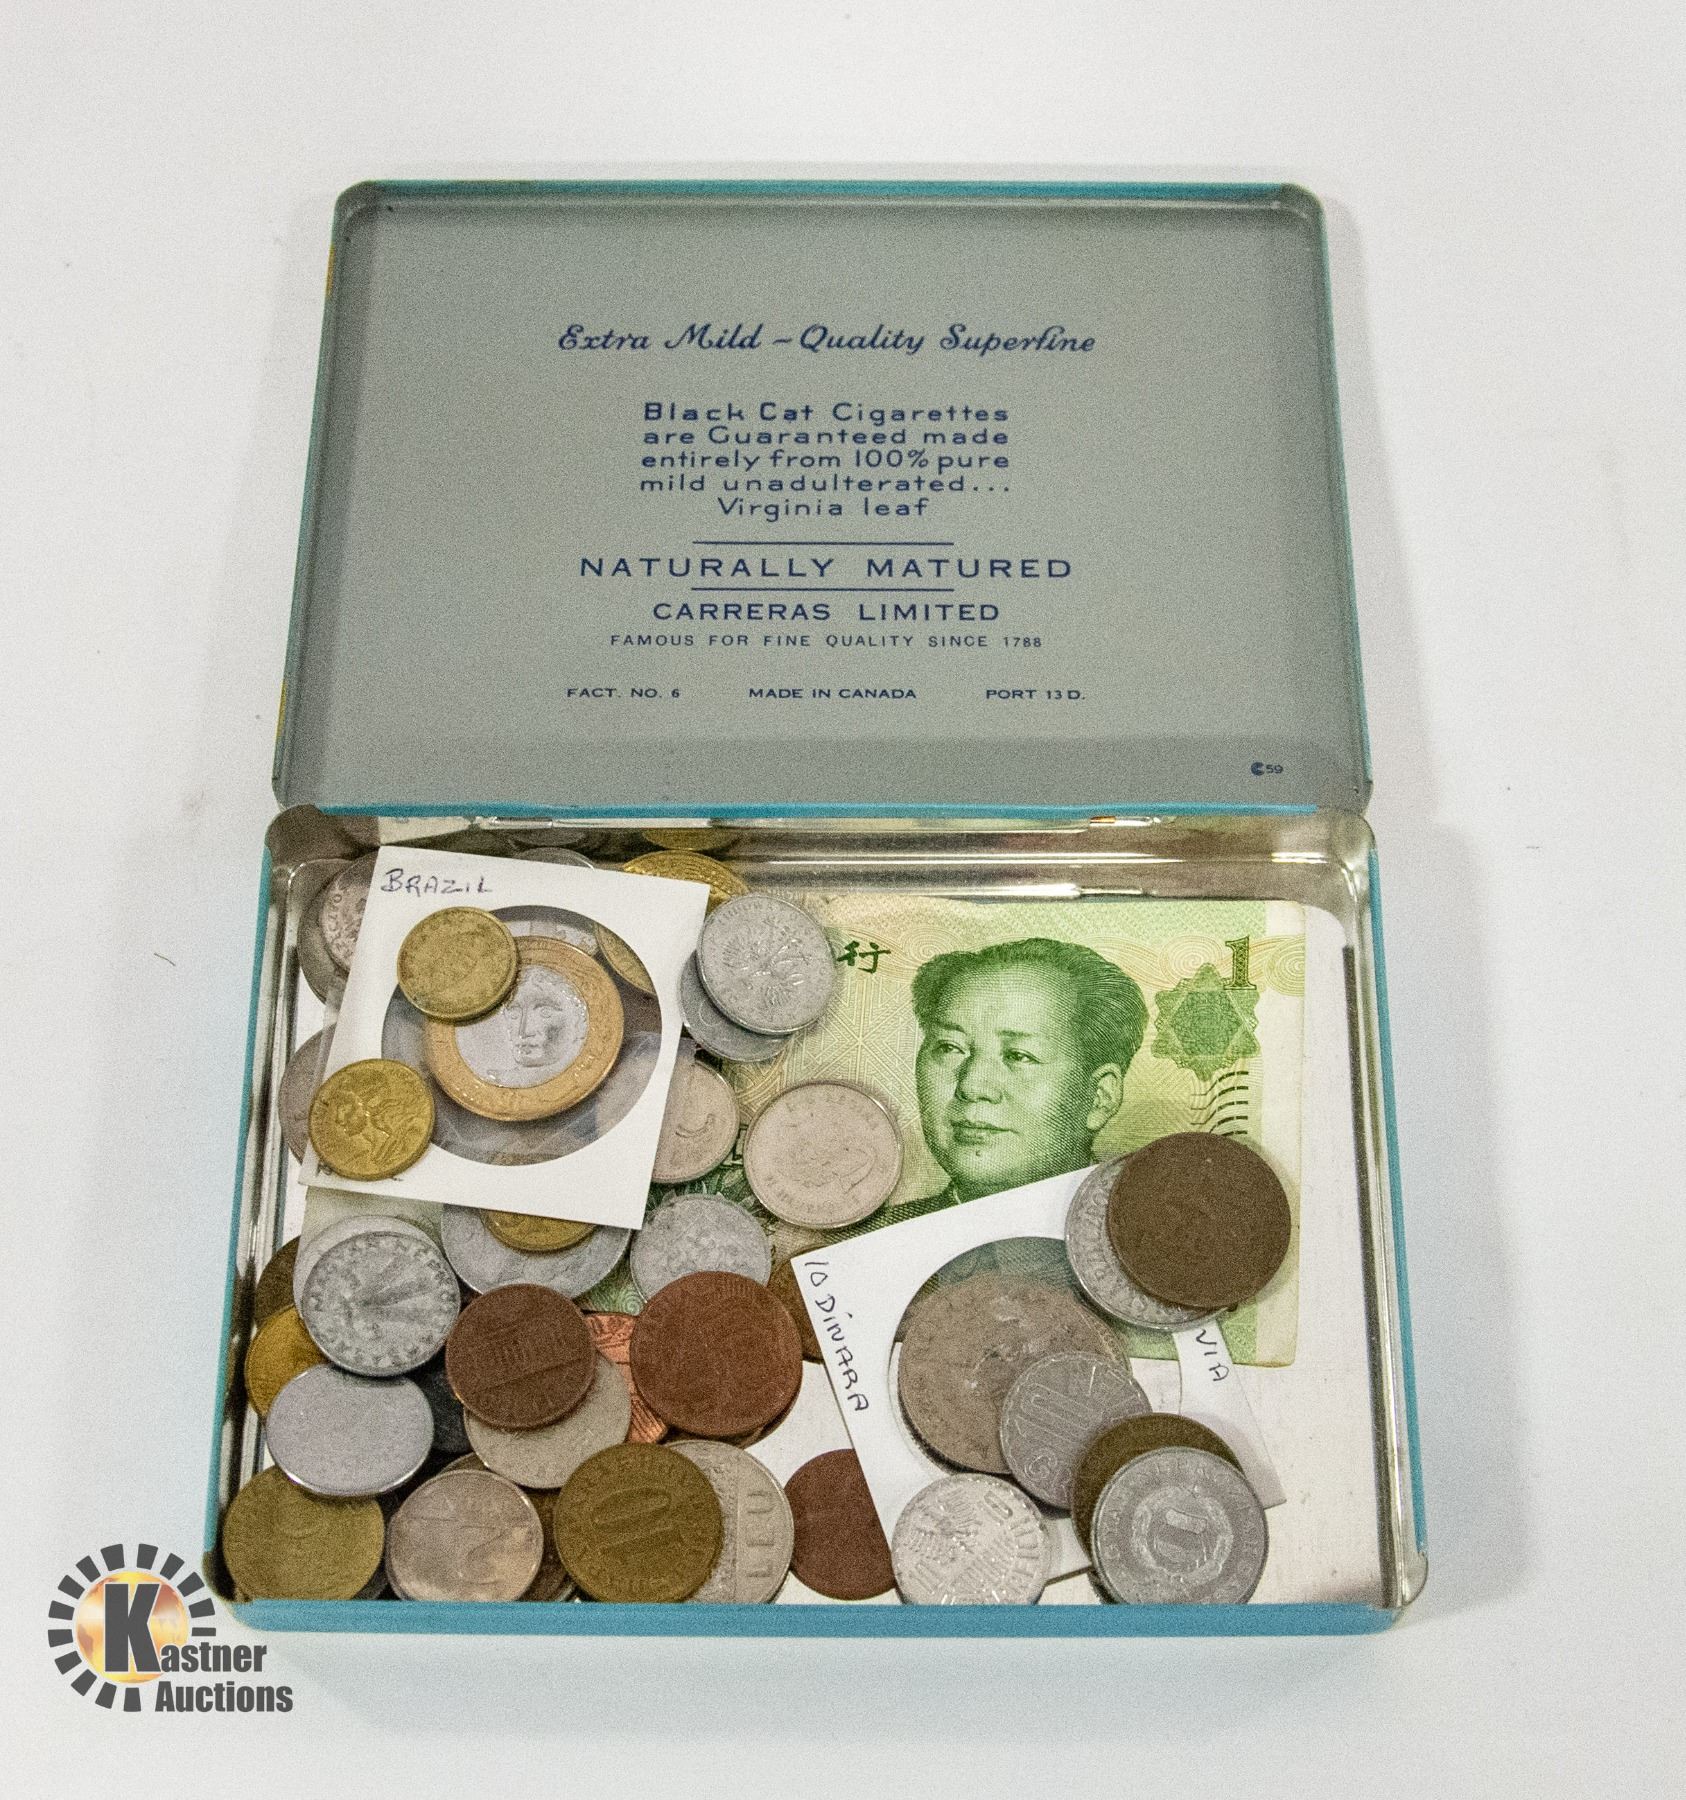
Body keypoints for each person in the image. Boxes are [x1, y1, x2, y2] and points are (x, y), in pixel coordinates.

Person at [885, 936, 1148, 1224]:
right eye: (950, 1047)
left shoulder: (1154, 1234)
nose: (972, 1086)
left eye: (1019, 1056)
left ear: (1099, 1097)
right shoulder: (872, 1238)